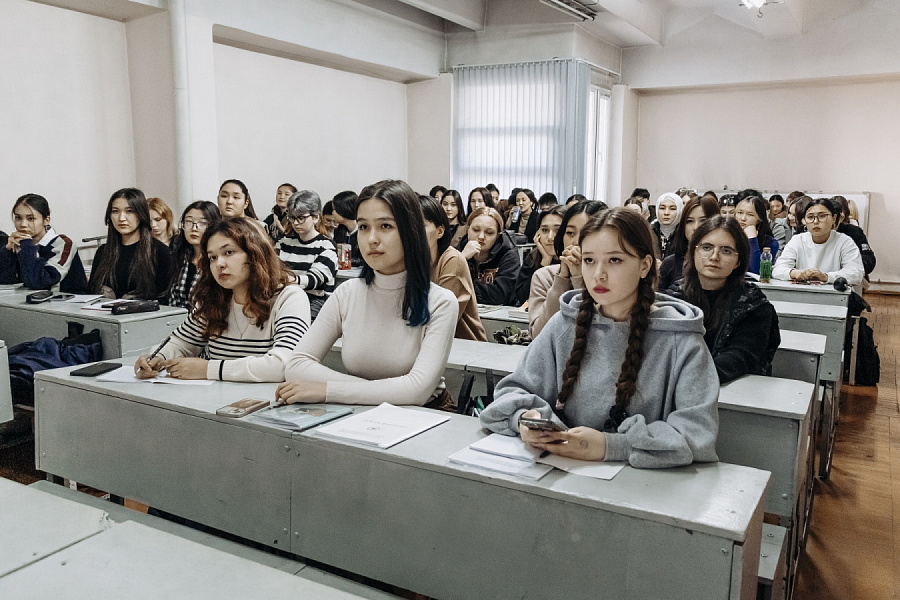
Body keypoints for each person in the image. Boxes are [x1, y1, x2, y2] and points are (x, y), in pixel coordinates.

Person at [479, 207, 719, 469]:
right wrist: (527, 420)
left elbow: (696, 434)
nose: (598, 274)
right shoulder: (564, 324)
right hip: (559, 473)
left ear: (644, 265)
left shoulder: (681, 340)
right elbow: (512, 391)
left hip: (644, 485)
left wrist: (610, 446)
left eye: (615, 260)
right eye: (589, 260)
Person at [278, 180, 458, 408]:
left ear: (411, 231)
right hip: (357, 411)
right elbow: (296, 365)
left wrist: (327, 389)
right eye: (363, 227)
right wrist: (380, 391)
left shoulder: (441, 302)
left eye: (385, 226)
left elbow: (417, 391)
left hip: (424, 414)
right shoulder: (347, 293)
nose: (371, 239)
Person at [135, 217, 310, 382]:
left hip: (265, 400)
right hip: (217, 399)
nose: (219, 263)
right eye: (213, 257)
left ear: (255, 254)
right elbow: (181, 342)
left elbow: (284, 364)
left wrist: (208, 369)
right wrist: (157, 357)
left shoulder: (289, 298)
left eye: (229, 252)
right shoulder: (213, 298)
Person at [666, 216, 780, 383]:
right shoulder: (674, 299)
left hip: (733, 390)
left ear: (738, 261)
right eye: (706, 248)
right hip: (676, 387)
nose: (714, 257)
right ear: (694, 252)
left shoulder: (754, 306)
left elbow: (738, 358)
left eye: (726, 251)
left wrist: (687, 378)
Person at [528, 200, 606, 338]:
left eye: (587, 233)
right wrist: (562, 278)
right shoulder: (544, 276)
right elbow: (539, 335)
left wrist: (579, 278)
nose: (576, 241)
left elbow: (600, 334)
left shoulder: (609, 277)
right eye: (570, 233)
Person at [419, 195, 487, 341]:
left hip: (464, 345)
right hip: (426, 341)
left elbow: (440, 318)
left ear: (440, 231)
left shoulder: (452, 260)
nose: (413, 232)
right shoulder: (410, 260)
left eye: (421, 226)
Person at [91, 188, 173, 300]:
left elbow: (165, 299)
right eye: (115, 211)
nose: (121, 218)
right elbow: (91, 293)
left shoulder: (160, 252)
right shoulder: (103, 252)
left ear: (141, 214)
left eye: (129, 211)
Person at [0, 193, 89, 294]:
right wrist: (8, 251)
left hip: (68, 301)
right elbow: (5, 280)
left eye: (30, 219)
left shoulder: (63, 244)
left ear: (46, 220)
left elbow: (39, 282)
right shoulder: (20, 243)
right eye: (18, 218)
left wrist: (28, 246)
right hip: (29, 300)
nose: (23, 224)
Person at [773, 197, 865, 287]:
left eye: (822, 216)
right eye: (810, 217)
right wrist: (796, 273)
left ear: (834, 218)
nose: (816, 221)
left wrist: (826, 277)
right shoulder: (797, 240)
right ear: (804, 220)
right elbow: (778, 269)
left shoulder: (845, 242)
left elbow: (856, 273)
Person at [277, 190, 338, 321]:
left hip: (314, 301)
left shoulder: (326, 246)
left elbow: (314, 280)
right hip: (285, 296)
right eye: (292, 218)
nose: (295, 223)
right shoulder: (284, 243)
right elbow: (271, 268)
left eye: (301, 218)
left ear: (316, 217)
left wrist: (286, 280)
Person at [460, 207, 521, 306]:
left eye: (489, 233)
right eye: (476, 230)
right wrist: (462, 259)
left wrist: (462, 289)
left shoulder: (509, 256)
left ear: (497, 235)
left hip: (501, 313)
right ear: (468, 230)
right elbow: (445, 286)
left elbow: (499, 296)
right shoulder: (457, 251)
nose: (481, 237)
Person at [658, 195, 719, 291]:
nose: (696, 227)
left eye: (703, 221)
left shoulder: (722, 260)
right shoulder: (670, 263)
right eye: (690, 221)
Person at [168, 201, 221, 309]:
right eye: (189, 222)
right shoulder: (180, 257)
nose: (194, 228)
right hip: (176, 316)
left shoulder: (217, 261)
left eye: (202, 223)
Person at [513, 206, 566, 306]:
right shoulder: (533, 257)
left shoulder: (575, 260)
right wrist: (544, 263)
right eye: (545, 230)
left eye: (558, 230)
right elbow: (522, 297)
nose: (550, 237)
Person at [733, 190, 779, 274]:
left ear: (759, 218)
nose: (743, 218)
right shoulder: (727, 237)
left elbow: (758, 271)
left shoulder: (770, 243)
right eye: (740, 213)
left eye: (750, 214)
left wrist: (752, 240)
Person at [833, 195, 876, 277]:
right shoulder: (810, 234)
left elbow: (869, 261)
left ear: (842, 217)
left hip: (849, 277)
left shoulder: (854, 231)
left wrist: (850, 264)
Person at [330, 190, 360, 266]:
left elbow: (364, 261)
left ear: (343, 209)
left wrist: (345, 261)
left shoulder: (363, 231)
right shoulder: (338, 231)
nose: (332, 213)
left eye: (334, 209)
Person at [651, 192, 682, 258]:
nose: (666, 213)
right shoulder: (647, 232)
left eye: (672, 209)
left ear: (680, 211)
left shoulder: (685, 234)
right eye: (662, 208)